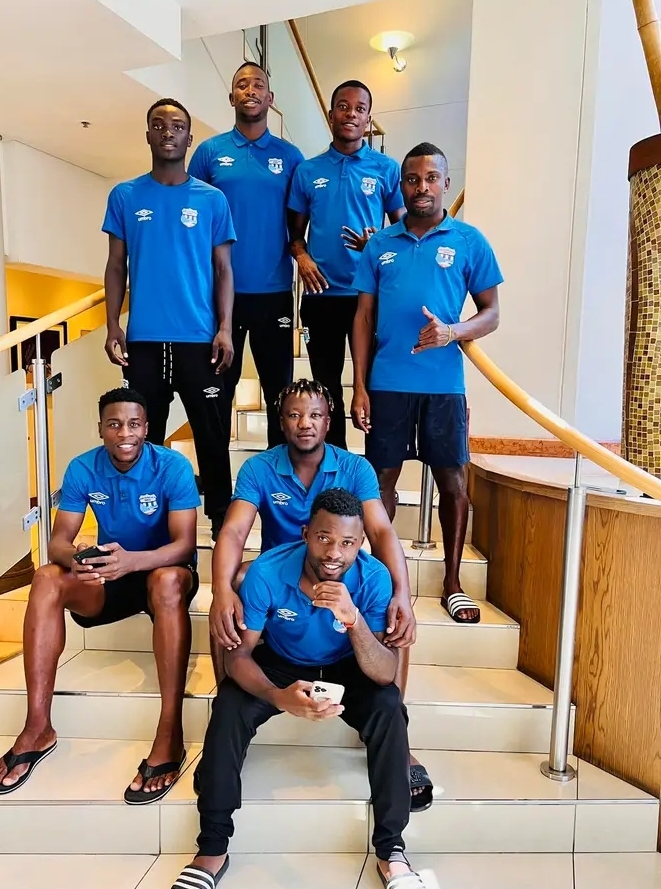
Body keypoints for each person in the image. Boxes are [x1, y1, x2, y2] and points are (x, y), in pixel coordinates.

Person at [173, 489, 428, 889]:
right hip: (282, 660)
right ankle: (212, 848)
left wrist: (353, 619)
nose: (334, 553)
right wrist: (278, 696)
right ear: (306, 533)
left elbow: (383, 672)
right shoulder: (268, 571)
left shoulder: (374, 578)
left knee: (388, 705)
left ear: (361, 543)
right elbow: (238, 657)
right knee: (230, 704)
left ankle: (391, 851)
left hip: (347, 664)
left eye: (347, 543)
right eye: (324, 538)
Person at [210, 378, 433, 812]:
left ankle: (398, 740)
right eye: (294, 415)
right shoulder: (259, 468)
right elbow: (234, 531)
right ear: (281, 422)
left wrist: (403, 595)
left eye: (314, 415)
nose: (305, 423)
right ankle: (226, 729)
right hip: (281, 575)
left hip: (340, 571)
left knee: (390, 606)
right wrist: (220, 591)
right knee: (232, 589)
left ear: (329, 422)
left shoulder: (354, 468)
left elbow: (380, 530)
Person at [0, 388, 201, 804]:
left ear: (147, 428)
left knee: (166, 581)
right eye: (114, 424)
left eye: (134, 424)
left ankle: (170, 731)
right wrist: (79, 558)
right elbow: (57, 542)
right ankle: (37, 727)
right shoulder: (83, 467)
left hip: (162, 572)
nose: (125, 433)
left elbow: (184, 545)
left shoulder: (172, 466)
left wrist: (132, 562)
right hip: (110, 576)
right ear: (100, 428)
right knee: (47, 577)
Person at [351, 142, 503, 624]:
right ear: (401, 185)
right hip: (387, 383)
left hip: (443, 386)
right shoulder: (379, 245)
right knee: (380, 482)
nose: (422, 187)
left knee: (453, 481)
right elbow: (363, 317)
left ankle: (452, 582)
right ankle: (380, 579)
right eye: (413, 179)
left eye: (431, 178)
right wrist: (358, 386)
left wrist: (452, 332)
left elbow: (491, 313)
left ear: (445, 183)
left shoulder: (469, 240)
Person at [102, 98, 236, 539]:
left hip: (199, 340)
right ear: (147, 135)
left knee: (212, 437)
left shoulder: (212, 199)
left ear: (189, 138)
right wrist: (113, 324)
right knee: (144, 440)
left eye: (177, 126)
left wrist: (224, 328)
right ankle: (148, 528)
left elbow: (223, 269)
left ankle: (221, 525)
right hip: (143, 341)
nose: (168, 132)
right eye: (158, 125)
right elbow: (116, 265)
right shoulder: (125, 196)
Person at [188, 63, 304, 448]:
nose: (250, 90)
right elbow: (191, 221)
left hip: (274, 293)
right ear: (231, 97)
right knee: (217, 392)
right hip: (220, 296)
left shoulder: (291, 157)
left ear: (270, 98)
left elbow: (300, 224)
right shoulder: (209, 153)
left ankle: (278, 480)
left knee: (279, 395)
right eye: (242, 85)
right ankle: (218, 484)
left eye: (258, 85)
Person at [287, 80, 406, 449]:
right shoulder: (307, 171)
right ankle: (334, 466)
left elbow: (405, 233)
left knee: (372, 386)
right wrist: (302, 256)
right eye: (343, 106)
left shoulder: (386, 169)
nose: (351, 114)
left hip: (367, 298)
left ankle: (373, 471)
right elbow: (294, 235)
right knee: (326, 391)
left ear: (368, 118)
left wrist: (377, 244)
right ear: (331, 114)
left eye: (359, 108)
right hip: (320, 298)